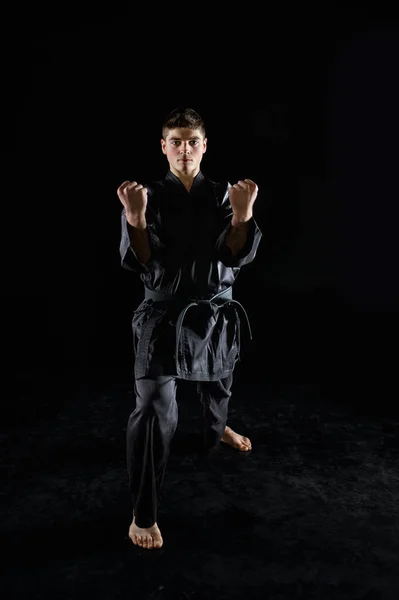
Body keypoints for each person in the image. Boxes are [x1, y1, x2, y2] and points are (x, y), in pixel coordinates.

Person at [117, 107, 263, 550]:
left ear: (204, 146)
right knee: (154, 413)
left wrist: (242, 216)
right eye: (176, 141)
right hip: (162, 318)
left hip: (214, 315)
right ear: (164, 147)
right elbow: (144, 260)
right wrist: (136, 220)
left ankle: (218, 426)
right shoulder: (147, 195)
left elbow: (232, 255)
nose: (184, 149)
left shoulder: (224, 194)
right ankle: (144, 513)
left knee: (217, 393)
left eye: (192, 141)